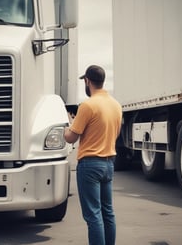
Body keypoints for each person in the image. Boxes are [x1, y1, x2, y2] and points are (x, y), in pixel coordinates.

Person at [64, 65, 122, 245]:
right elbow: (114, 133)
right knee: (107, 212)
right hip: (108, 164)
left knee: (93, 215)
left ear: (87, 81)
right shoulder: (116, 105)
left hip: (89, 165)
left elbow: (71, 138)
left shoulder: (87, 105)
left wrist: (68, 124)